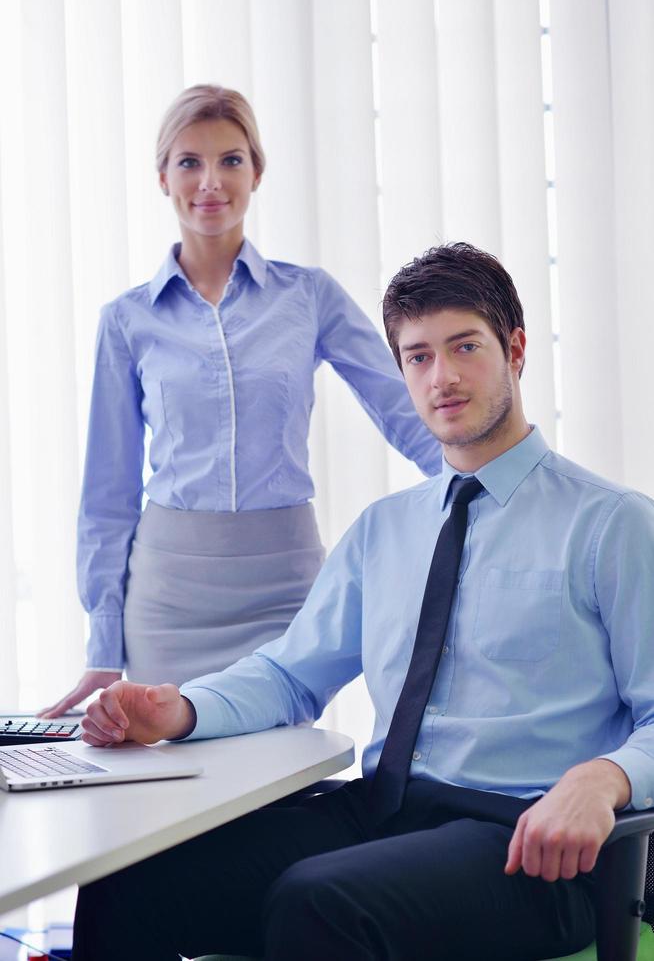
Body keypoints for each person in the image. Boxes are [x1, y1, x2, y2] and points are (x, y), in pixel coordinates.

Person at [72, 242, 654, 961]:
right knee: (127, 881)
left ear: (516, 350)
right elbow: (290, 674)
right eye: (417, 356)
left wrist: (604, 777)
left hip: (530, 843)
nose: (441, 376)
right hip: (385, 813)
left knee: (320, 902)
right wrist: (180, 709)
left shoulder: (612, 524)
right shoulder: (385, 530)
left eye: (464, 347)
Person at [39, 84, 441, 719]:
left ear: (257, 171)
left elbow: (405, 410)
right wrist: (103, 644)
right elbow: (107, 493)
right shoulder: (126, 320)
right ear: (162, 176)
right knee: (176, 786)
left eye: (230, 160)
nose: (210, 182)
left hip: (285, 589)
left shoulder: (309, 296)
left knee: (279, 779)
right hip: (168, 599)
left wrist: (478, 491)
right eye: (189, 161)